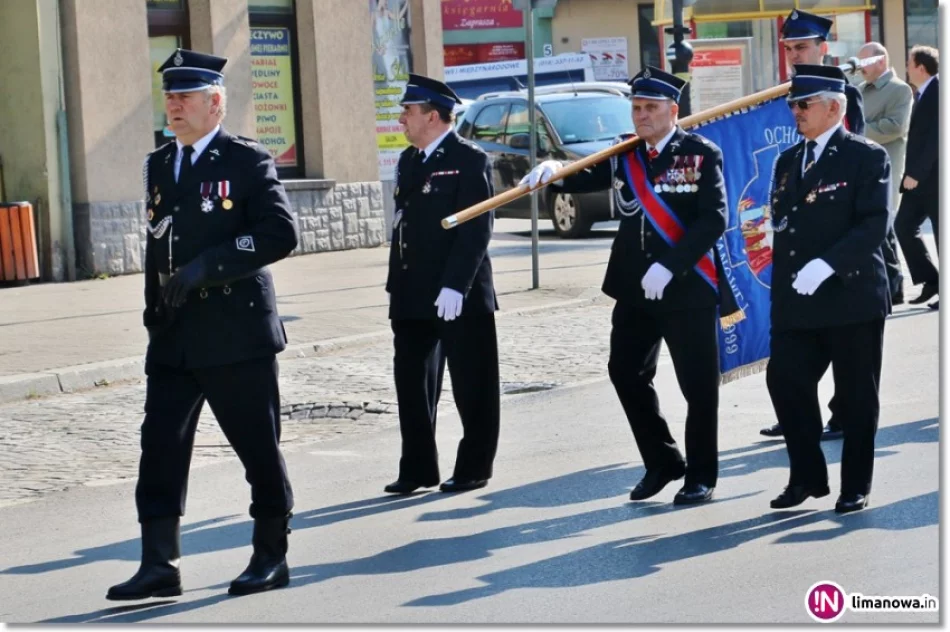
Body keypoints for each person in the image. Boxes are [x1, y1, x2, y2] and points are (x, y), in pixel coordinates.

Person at [107, 49, 298, 600]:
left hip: (235, 333)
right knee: (160, 449)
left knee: (257, 447)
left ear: (215, 103)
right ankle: (159, 564)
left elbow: (279, 234)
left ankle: (270, 555)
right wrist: (153, 308)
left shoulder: (246, 160)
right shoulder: (160, 163)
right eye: (169, 96)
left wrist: (208, 266)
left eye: (185, 96)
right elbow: (159, 241)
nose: (174, 105)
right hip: (175, 335)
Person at [521, 66, 728, 506]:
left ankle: (702, 475)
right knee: (626, 373)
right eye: (636, 108)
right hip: (636, 289)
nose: (641, 116)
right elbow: (582, 177)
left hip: (686, 288)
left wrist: (671, 266)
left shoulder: (700, 153)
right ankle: (663, 461)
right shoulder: (625, 154)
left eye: (650, 108)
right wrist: (555, 170)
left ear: (673, 110)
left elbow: (714, 218)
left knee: (698, 386)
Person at [766, 65, 890, 514]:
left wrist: (827, 265)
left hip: (850, 296)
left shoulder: (866, 156)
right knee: (784, 382)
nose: (795, 111)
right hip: (798, 299)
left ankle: (854, 484)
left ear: (834, 107)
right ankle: (807, 476)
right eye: (792, 105)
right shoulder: (786, 160)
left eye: (804, 104)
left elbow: (875, 223)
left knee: (856, 396)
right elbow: (784, 222)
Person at [759, 8, 874, 441]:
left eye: (802, 46)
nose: (794, 54)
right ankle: (796, 412)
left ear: (821, 48)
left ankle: (843, 411)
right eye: (789, 47)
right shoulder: (782, 92)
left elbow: (850, 153)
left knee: (846, 336)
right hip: (796, 230)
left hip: (838, 226)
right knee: (797, 342)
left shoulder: (840, 92)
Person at [384, 73, 501, 495]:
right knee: (412, 383)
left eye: (408, 112)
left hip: (458, 293)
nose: (402, 119)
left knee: (473, 383)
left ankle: (473, 467)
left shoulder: (468, 158)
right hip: (412, 291)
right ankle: (417, 468)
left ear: (432, 116)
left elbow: (476, 229)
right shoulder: (409, 160)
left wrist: (456, 285)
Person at [857, 42, 913, 305]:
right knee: (874, 226)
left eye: (864, 62)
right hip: (861, 167)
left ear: (880, 61)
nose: (859, 68)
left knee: (883, 227)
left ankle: (894, 285)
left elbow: (895, 127)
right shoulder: (858, 90)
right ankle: (887, 285)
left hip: (886, 167)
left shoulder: (899, 90)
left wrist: (857, 131)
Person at [895, 45, 940, 310]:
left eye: (909, 64)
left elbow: (936, 138)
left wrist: (916, 173)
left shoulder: (938, 91)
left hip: (932, 179)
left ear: (920, 68)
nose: (907, 69)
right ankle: (931, 281)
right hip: (918, 181)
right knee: (903, 226)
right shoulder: (923, 93)